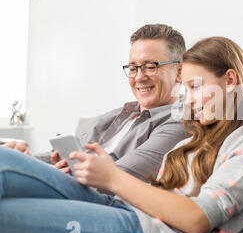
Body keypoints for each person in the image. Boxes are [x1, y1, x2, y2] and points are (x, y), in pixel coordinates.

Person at [0, 36, 243, 233]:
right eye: (187, 90)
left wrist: (113, 178)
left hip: (145, 230)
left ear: (229, 80)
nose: (188, 101)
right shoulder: (194, 139)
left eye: (196, 86)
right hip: (118, 205)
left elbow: (198, 218)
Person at [4, 23, 190, 186]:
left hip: (99, 200)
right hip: (70, 185)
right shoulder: (120, 114)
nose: (139, 77)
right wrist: (26, 159)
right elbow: (61, 157)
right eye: (133, 68)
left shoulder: (179, 121)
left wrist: (36, 170)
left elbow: (118, 178)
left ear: (180, 72)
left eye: (151, 66)